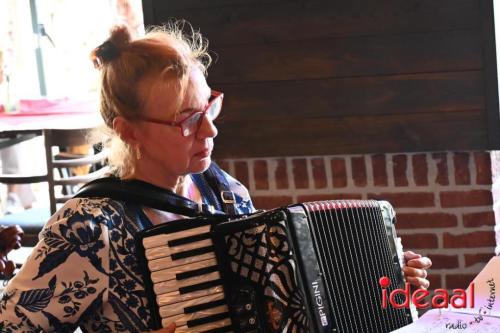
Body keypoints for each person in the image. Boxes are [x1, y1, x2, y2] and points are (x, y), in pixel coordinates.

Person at [0, 24, 431, 332]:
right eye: (188, 120)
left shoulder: (222, 191)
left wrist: (381, 279)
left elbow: (280, 302)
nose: (210, 130)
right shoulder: (90, 227)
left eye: (210, 107)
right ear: (128, 129)